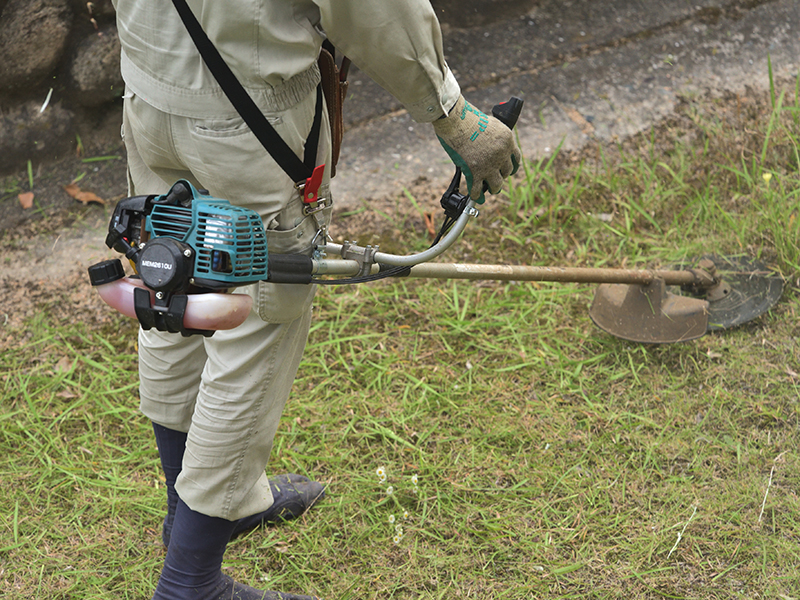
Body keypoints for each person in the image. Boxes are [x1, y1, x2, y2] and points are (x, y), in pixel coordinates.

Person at [111, 1, 521, 598]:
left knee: (174, 296)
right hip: (247, 115)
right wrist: (449, 110)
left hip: (149, 93)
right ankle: (191, 581)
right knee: (256, 320)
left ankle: (197, 518)